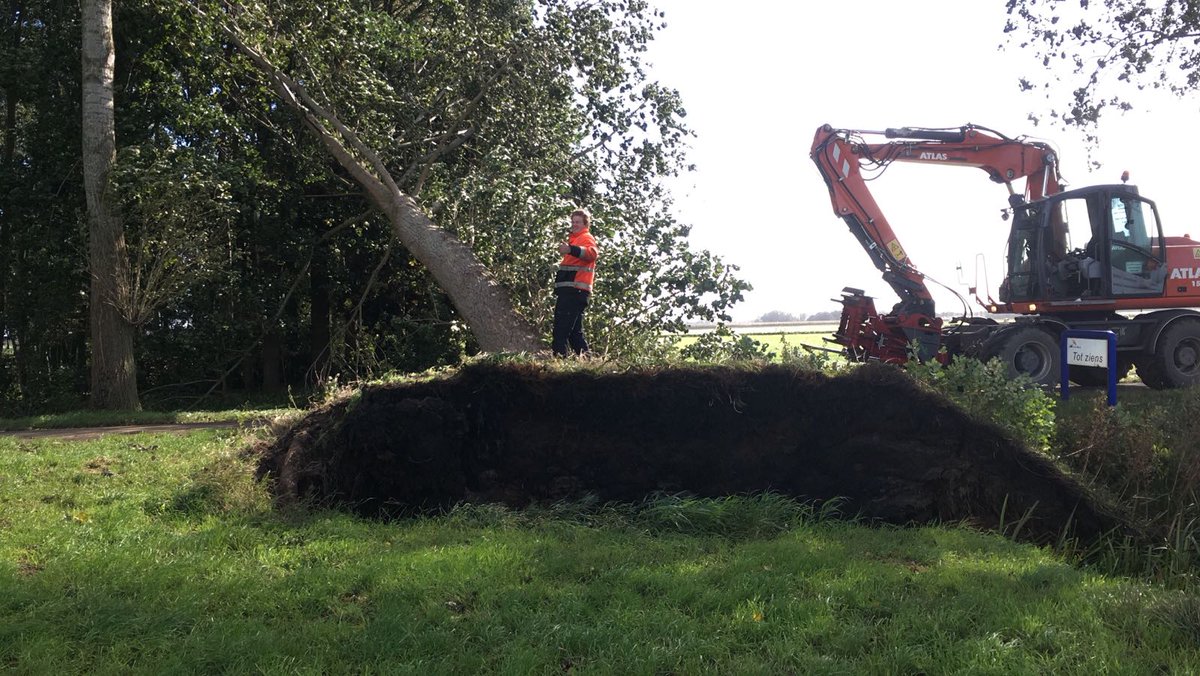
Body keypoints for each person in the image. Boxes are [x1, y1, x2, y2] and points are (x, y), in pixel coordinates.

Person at [552, 208, 599, 356]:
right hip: (573, 291)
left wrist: (570, 249)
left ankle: (558, 364)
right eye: (573, 221)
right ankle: (587, 364)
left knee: (561, 330)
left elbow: (592, 253)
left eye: (578, 222)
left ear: (586, 224)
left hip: (575, 290)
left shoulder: (585, 237)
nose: (574, 224)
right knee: (574, 333)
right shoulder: (575, 239)